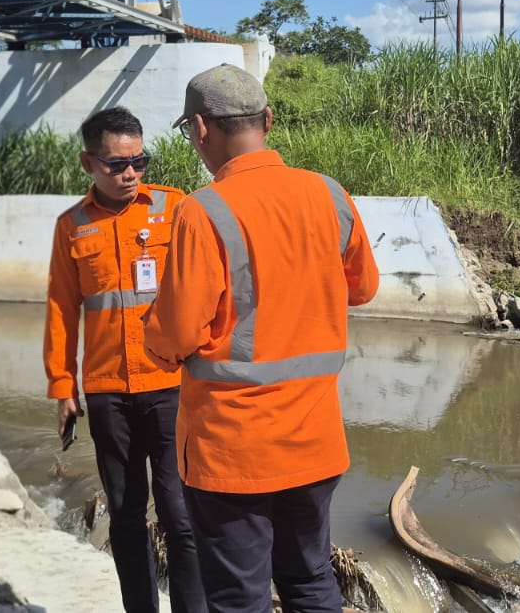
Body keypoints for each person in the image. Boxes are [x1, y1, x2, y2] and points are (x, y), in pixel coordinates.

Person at [143, 64, 379, 613]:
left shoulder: (202, 211)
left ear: (200, 130)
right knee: (311, 581)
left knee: (238, 597)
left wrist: (154, 340)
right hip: (316, 442)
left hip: (233, 451)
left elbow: (176, 334)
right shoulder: (330, 194)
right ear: (267, 120)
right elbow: (362, 288)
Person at [44, 107, 206, 613]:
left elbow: (207, 291)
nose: (131, 173)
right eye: (117, 165)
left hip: (171, 387)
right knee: (126, 515)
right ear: (88, 163)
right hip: (109, 392)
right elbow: (60, 310)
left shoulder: (176, 209)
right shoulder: (72, 227)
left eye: (139, 161)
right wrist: (61, 388)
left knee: (182, 517)